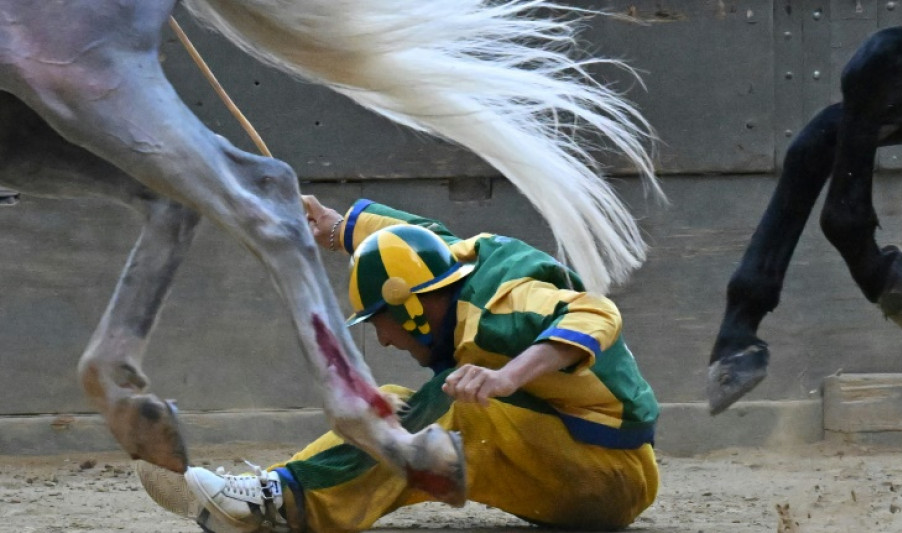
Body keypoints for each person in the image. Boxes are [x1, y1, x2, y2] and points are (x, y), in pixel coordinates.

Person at [141, 196, 660, 532]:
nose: (384, 339)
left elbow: (597, 310)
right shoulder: (457, 267)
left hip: (607, 478)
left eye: (379, 321)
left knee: (457, 408)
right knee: (403, 407)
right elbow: (422, 234)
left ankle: (275, 505)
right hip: (566, 455)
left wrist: (505, 377)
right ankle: (283, 496)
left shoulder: (500, 309)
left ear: (411, 308)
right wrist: (340, 227)